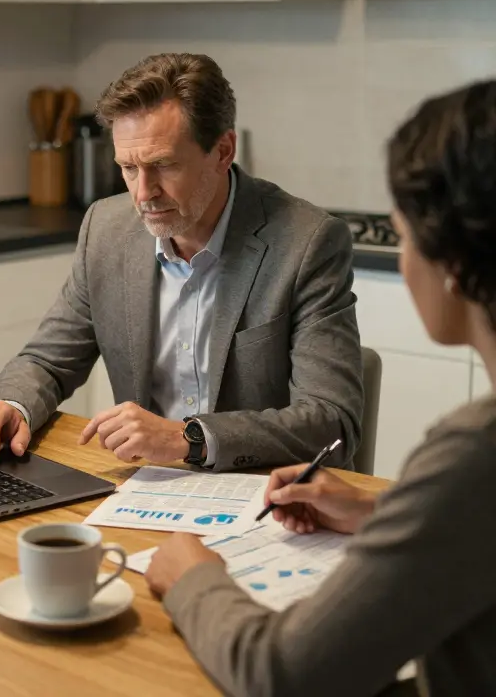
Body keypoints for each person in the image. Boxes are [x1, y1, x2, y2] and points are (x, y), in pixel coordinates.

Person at [146, 79, 496, 697]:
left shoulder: (476, 452)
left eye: (402, 233)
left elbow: (285, 673)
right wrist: (381, 512)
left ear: (457, 266)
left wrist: (192, 577)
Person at [0, 53, 363, 472]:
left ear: (222, 151)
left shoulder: (307, 242)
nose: (143, 194)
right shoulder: (106, 230)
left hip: (267, 495)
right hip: (145, 488)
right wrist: (10, 405)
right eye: (128, 168)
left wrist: (187, 438)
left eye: (163, 165)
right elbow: (48, 360)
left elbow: (332, 421)